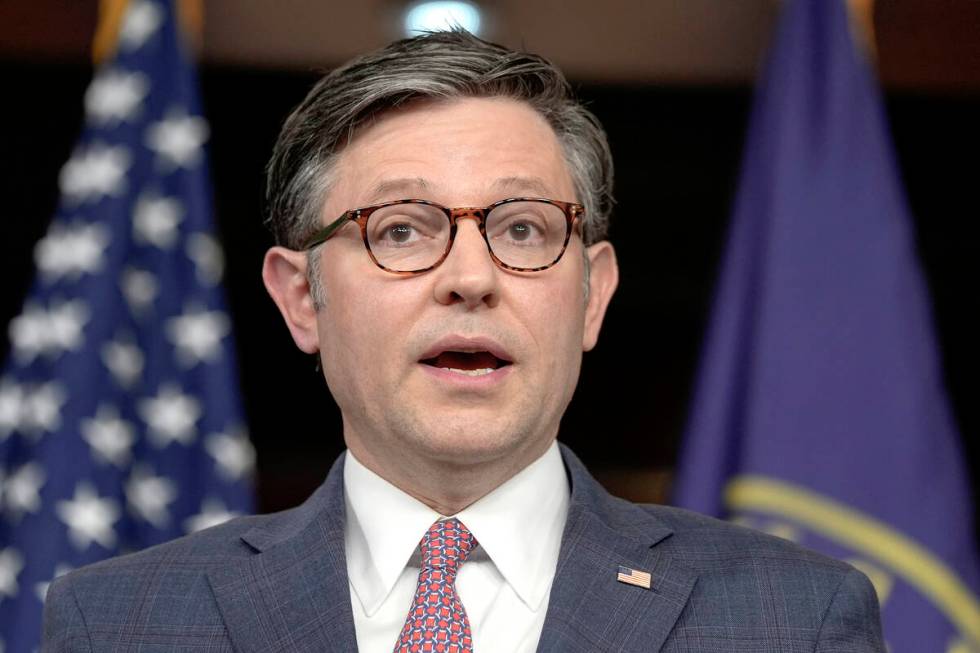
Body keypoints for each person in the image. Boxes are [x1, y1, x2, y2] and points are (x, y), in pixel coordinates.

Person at [43, 31, 884, 652]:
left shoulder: (793, 618)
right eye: (403, 231)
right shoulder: (121, 621)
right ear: (302, 297)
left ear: (591, 296)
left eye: (522, 229)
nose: (471, 276)